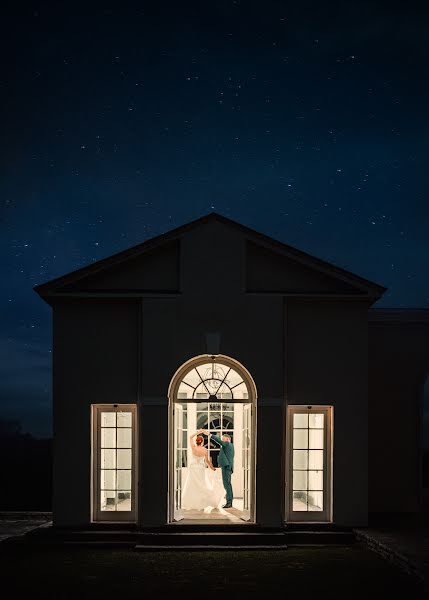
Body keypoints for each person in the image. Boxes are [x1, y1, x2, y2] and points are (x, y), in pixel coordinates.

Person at [180, 430, 224, 511]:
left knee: (192, 485)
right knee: (202, 484)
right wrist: (212, 468)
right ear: (202, 442)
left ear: (196, 442)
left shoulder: (193, 447)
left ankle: (193, 501)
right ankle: (203, 501)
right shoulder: (205, 450)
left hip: (193, 468)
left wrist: (198, 432)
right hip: (200, 468)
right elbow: (207, 461)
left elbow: (190, 437)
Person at [202, 429, 234, 509]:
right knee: (227, 485)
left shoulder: (227, 444)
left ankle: (229, 503)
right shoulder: (229, 445)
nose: (222, 440)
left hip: (226, 467)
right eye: (222, 439)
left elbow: (218, 440)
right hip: (227, 466)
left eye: (223, 439)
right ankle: (229, 502)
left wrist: (209, 435)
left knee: (227, 485)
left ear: (228, 439)